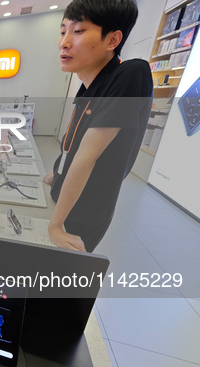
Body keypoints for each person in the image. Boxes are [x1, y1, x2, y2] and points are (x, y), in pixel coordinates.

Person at [43, 0, 153, 252]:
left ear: (112, 40)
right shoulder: (88, 87)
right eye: (63, 31)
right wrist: (56, 173)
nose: (64, 42)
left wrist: (57, 225)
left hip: (80, 216)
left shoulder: (131, 73)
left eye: (78, 31)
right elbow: (74, 143)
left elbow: (87, 155)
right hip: (63, 199)